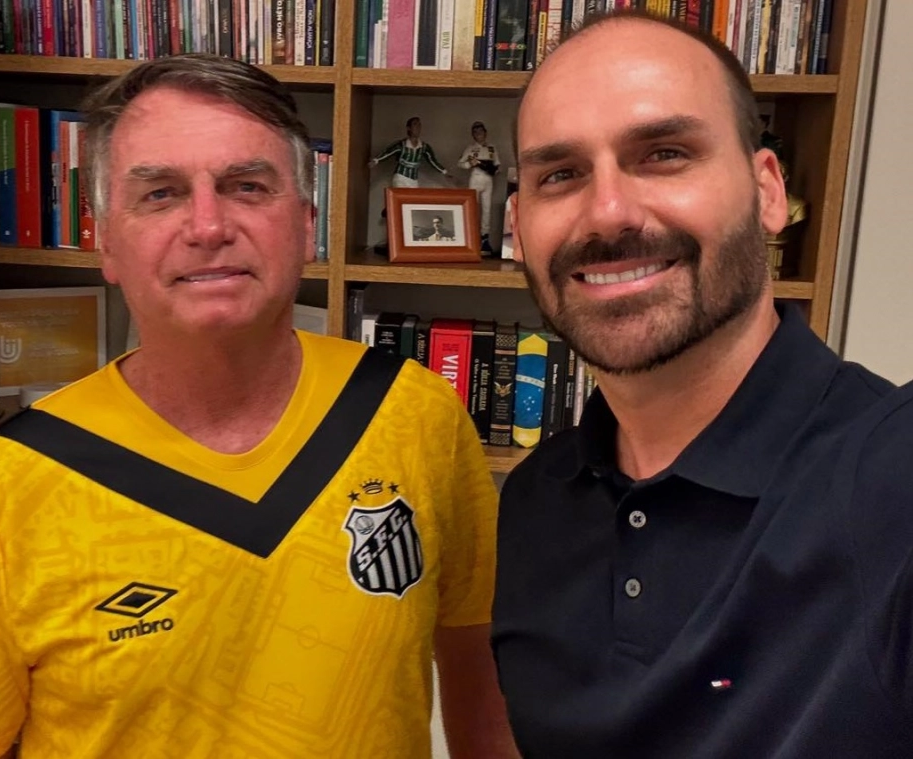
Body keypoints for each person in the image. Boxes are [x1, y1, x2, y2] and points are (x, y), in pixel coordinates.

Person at [0, 54, 518, 759]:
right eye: (160, 193)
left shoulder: (415, 411)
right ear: (106, 241)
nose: (208, 226)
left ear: (307, 223)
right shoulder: (5, 485)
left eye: (247, 186)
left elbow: (477, 655)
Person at [491, 10, 913, 759]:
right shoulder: (533, 502)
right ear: (519, 227)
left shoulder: (892, 480)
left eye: (664, 154)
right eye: (561, 174)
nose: (608, 212)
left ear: (768, 190)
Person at [369, 116, 450, 188]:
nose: (418, 128)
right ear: (409, 128)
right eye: (415, 125)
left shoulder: (424, 147)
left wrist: (444, 172)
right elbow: (388, 152)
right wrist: (376, 160)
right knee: (400, 197)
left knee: (413, 199)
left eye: (419, 125)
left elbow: (432, 161)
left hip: (413, 180)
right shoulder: (401, 144)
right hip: (400, 177)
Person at [457, 120, 500, 254]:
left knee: (487, 210)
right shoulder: (470, 148)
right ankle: (471, 238)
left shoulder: (492, 148)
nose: (478, 134)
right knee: (472, 208)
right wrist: (470, 164)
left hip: (488, 179)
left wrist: (494, 169)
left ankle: (484, 239)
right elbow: (460, 163)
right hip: (475, 178)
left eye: (480, 131)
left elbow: (497, 163)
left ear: (485, 133)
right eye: (475, 132)